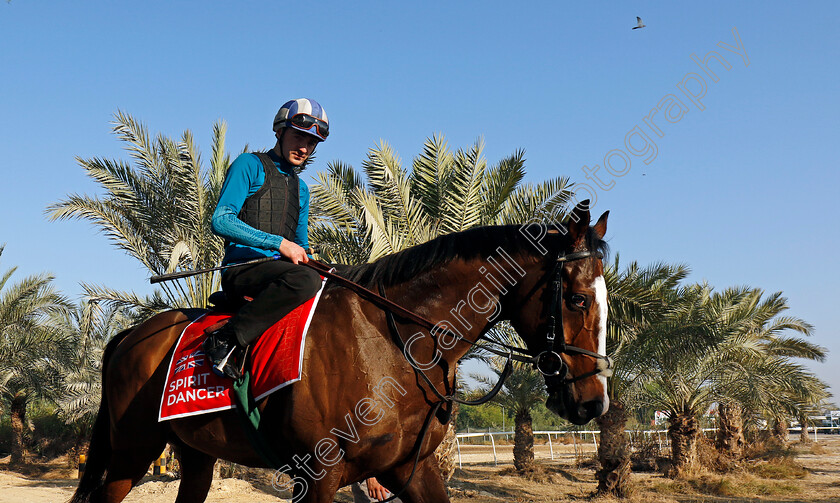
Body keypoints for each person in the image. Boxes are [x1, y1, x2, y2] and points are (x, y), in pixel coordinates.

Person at [203, 98, 327, 379]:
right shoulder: (249, 165)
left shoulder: (302, 189)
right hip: (243, 270)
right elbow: (221, 219)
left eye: (312, 143)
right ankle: (226, 339)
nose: (304, 148)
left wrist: (318, 264)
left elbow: (301, 245)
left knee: (328, 279)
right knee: (304, 280)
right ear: (280, 132)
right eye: (299, 136)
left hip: (281, 274)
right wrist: (278, 243)